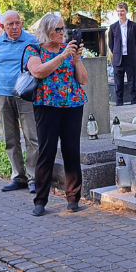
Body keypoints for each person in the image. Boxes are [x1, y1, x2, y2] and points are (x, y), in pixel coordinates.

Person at [24, 13, 88, 216]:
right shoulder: (33, 49)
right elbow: (38, 72)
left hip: (73, 105)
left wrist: (76, 60)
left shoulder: (69, 50)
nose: (63, 33)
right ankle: (40, 200)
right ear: (46, 31)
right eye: (58, 30)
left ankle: (73, 198)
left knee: (71, 151)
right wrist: (62, 57)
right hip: (47, 105)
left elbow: (83, 79)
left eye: (63, 29)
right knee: (47, 151)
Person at [0, 10, 39, 192]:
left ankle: (34, 178)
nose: (14, 27)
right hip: (2, 93)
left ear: (22, 23)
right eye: (10, 24)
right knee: (10, 137)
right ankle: (18, 177)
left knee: (31, 136)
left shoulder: (31, 41)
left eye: (17, 23)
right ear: (3, 27)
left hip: (25, 94)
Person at [108, 2, 136, 105]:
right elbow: (111, 43)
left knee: (132, 84)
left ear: (126, 11)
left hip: (130, 57)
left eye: (122, 11)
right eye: (118, 11)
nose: (120, 13)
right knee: (118, 85)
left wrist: (133, 53)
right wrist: (116, 53)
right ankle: (119, 105)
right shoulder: (113, 27)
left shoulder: (134, 26)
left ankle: (134, 104)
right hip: (118, 59)